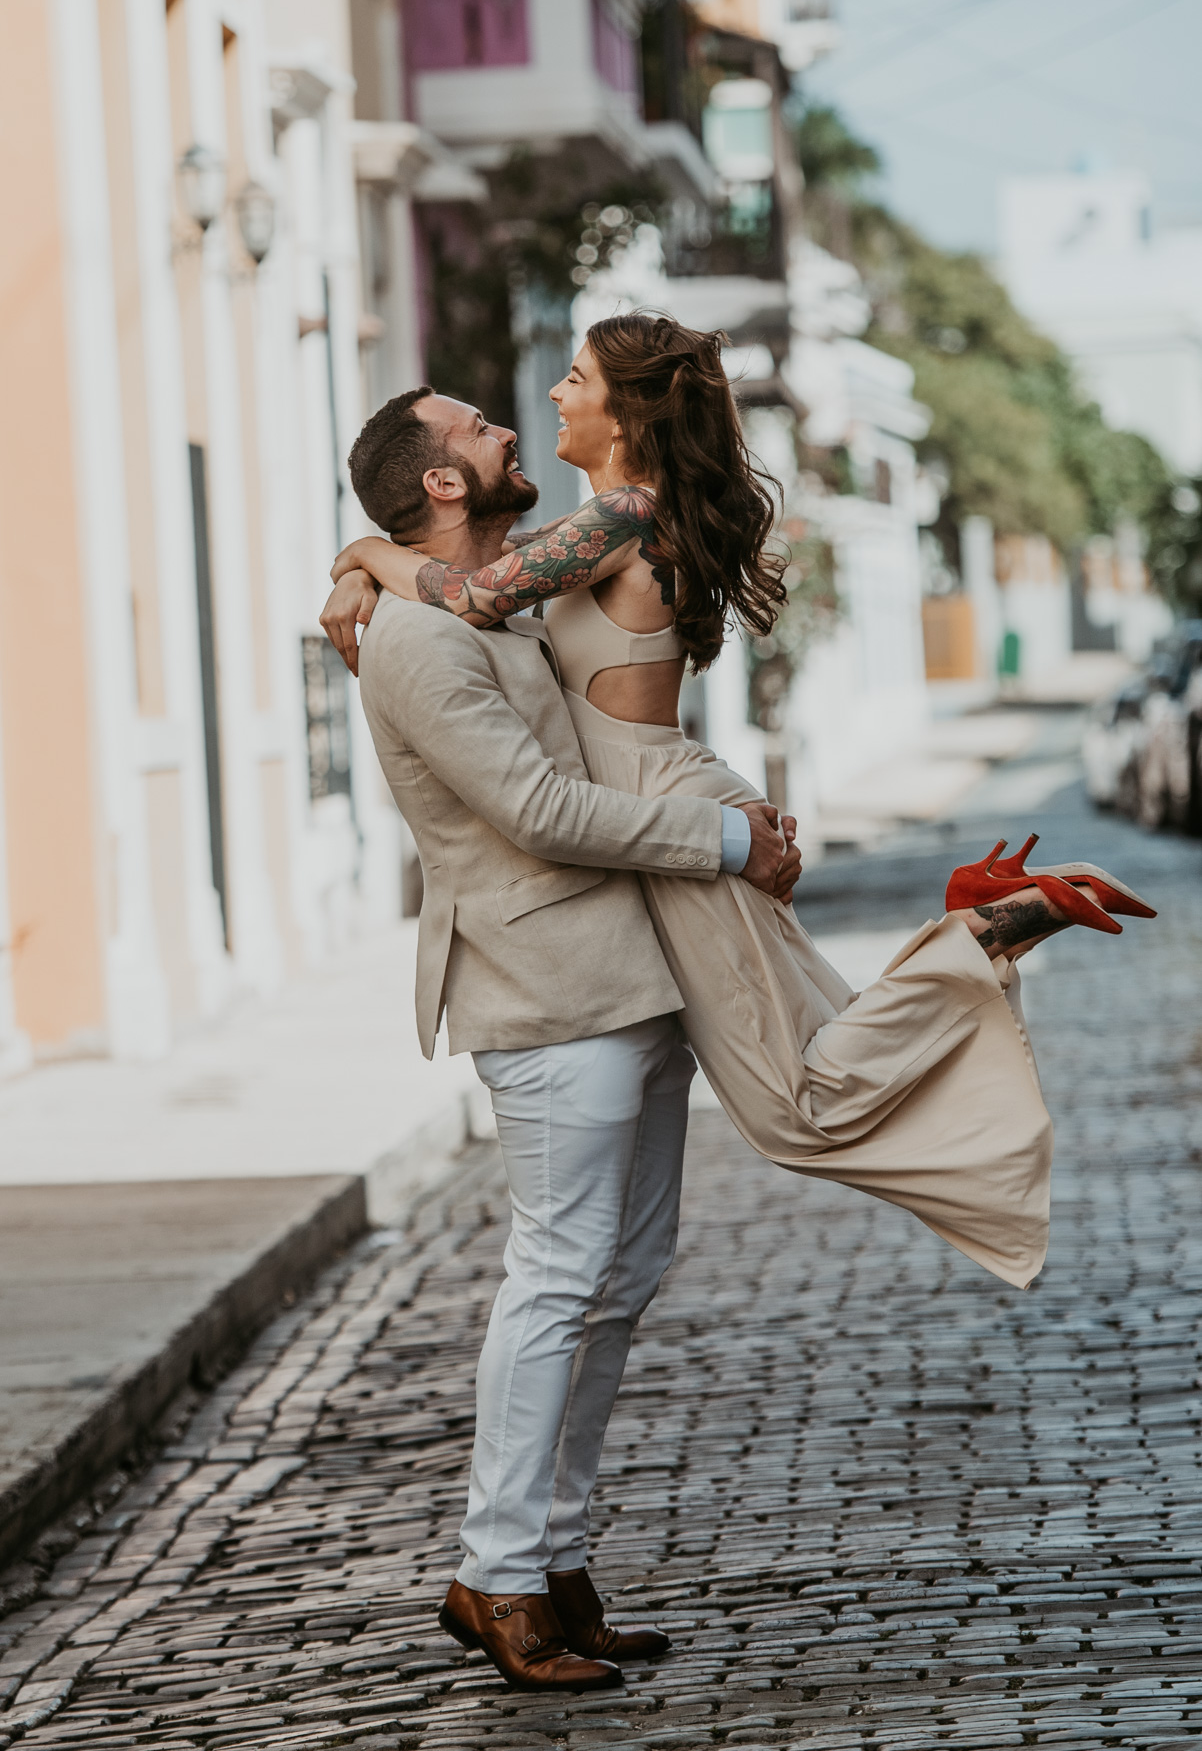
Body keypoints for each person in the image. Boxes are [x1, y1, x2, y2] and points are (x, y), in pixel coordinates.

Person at [324, 313, 1155, 1304]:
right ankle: (971, 928)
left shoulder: (624, 515)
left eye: (575, 378)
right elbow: (477, 585)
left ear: (627, 411)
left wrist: (362, 551)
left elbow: (467, 596)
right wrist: (361, 562)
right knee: (807, 1041)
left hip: (658, 811)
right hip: (658, 801)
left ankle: (979, 935)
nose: (550, 395)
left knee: (787, 1101)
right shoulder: (604, 522)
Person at [336, 384, 799, 1693]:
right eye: (479, 428)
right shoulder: (414, 645)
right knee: (555, 1277)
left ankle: (553, 1558)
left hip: (628, 977)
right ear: (437, 483)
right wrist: (727, 841)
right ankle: (492, 1571)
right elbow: (537, 807)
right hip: (543, 992)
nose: (508, 430)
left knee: (621, 1273)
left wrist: (358, 555)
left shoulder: (485, 599)